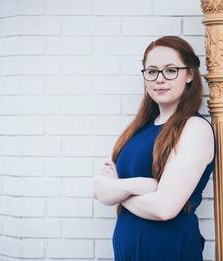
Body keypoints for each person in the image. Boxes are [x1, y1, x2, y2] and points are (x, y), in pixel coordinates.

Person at [93, 35, 216, 261]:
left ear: (189, 74)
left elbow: (164, 208)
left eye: (170, 70)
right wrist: (139, 185)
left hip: (169, 250)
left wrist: (119, 192)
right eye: (152, 71)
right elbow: (100, 190)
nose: (159, 79)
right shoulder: (138, 129)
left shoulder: (194, 128)